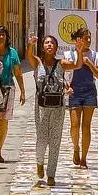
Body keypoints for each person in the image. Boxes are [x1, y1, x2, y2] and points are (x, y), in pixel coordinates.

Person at [66, 28, 98, 168]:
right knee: (74, 125)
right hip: (74, 92)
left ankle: (84, 157)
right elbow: (63, 74)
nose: (88, 41)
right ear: (78, 40)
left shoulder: (95, 56)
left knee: (86, 126)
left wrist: (90, 63)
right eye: (85, 38)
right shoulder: (69, 54)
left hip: (90, 92)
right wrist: (66, 87)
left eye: (89, 38)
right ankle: (76, 148)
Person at [32, 35, 68, 185]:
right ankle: (39, 162)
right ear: (42, 47)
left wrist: (79, 51)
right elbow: (28, 56)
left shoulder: (61, 64)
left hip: (58, 107)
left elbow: (78, 65)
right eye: (46, 42)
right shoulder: (38, 62)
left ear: (56, 48)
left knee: (55, 140)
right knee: (41, 139)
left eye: (52, 43)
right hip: (42, 107)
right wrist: (30, 44)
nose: (49, 45)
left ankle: (51, 174)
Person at [0, 24, 24, 164]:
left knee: (3, 122)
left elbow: (18, 73)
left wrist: (23, 91)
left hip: (8, 88)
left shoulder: (12, 52)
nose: (1, 37)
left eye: (3, 35)